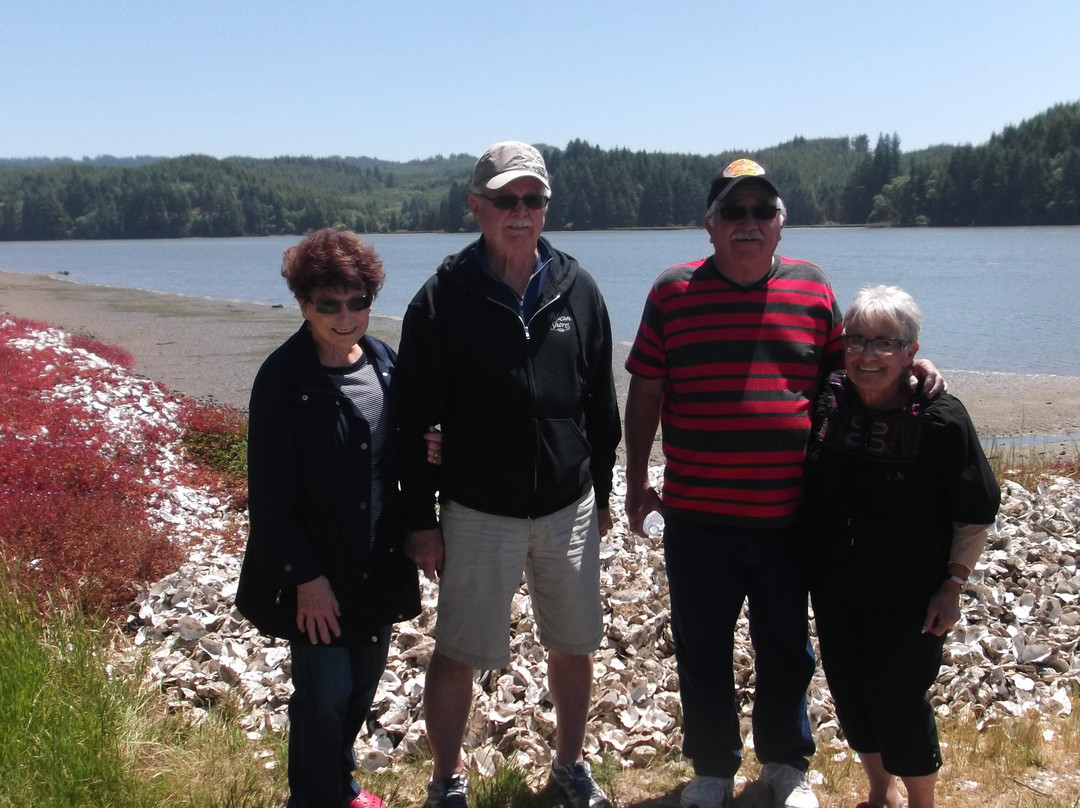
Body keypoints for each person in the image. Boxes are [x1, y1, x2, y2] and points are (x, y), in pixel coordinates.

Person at [622, 159, 944, 808]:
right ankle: (712, 768)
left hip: (791, 517)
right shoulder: (672, 292)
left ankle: (785, 765)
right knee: (702, 646)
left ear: (780, 224)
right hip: (697, 515)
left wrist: (911, 365)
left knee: (787, 649)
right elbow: (646, 389)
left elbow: (852, 374)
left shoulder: (814, 289)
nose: (748, 224)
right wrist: (635, 480)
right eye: (733, 213)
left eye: (761, 212)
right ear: (708, 225)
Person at [395, 141, 621, 808]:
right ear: (477, 206)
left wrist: (602, 493)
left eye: (533, 200)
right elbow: (414, 421)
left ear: (546, 207)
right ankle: (445, 781)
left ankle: (571, 767)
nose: (520, 212)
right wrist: (419, 520)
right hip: (476, 509)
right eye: (505, 200)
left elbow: (600, 404)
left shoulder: (579, 288)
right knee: (457, 650)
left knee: (574, 646)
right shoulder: (441, 299)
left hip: (567, 506)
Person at [236, 228, 421, 808]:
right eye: (329, 305)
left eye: (358, 301)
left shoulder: (387, 363)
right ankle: (313, 798)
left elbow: (402, 452)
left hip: (377, 562)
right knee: (323, 695)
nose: (346, 317)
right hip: (315, 570)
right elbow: (268, 497)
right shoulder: (283, 379)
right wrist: (304, 581)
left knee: (362, 686)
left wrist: (432, 458)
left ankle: (339, 787)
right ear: (303, 304)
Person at [800, 285, 999, 808]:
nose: (868, 355)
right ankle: (878, 792)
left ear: (911, 351)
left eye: (885, 343)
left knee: (898, 699)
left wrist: (952, 584)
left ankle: (921, 803)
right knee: (849, 691)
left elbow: (975, 510)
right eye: (858, 340)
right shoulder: (831, 397)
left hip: (910, 591)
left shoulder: (939, 418)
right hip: (836, 583)